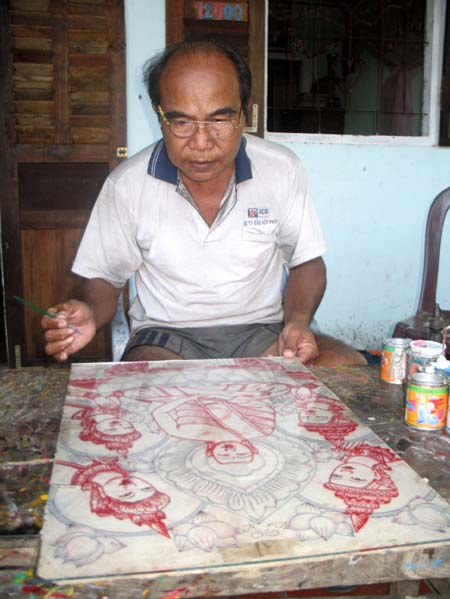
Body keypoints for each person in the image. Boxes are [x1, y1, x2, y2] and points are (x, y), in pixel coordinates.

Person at [41, 39, 366, 367]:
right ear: (160, 115)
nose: (200, 143)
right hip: (166, 337)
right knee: (145, 396)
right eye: (181, 122)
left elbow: (307, 262)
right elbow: (104, 277)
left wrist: (297, 321)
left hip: (262, 333)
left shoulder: (281, 169)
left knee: (348, 370)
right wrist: (91, 313)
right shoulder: (127, 185)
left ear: (244, 113)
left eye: (219, 121)